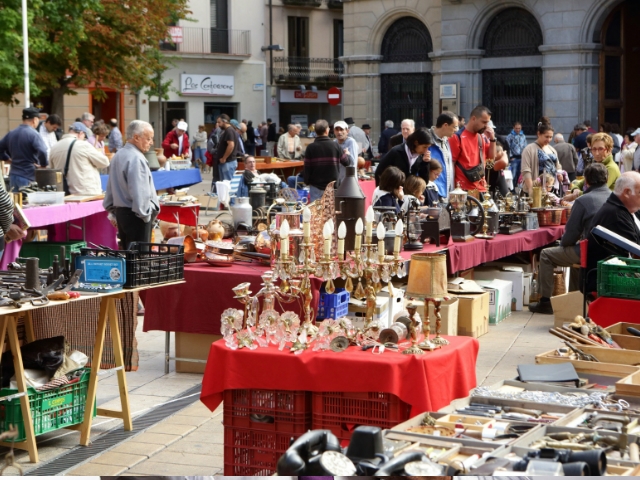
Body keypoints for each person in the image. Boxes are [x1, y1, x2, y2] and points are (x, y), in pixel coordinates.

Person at [529, 163, 611, 314]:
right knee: (576, 256)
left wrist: (564, 245)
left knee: (546, 255)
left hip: (590, 252)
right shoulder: (614, 198)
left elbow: (570, 234)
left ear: (586, 181)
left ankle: (545, 301)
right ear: (607, 178)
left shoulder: (584, 200)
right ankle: (575, 300)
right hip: (611, 253)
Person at [103, 120, 159, 250]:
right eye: (149, 138)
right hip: (137, 216)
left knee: (130, 260)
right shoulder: (136, 158)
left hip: (123, 213)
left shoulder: (118, 155)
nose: (151, 142)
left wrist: (113, 211)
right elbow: (140, 192)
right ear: (136, 137)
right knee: (138, 262)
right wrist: (146, 216)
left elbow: (110, 189)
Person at [585, 171, 640, 294]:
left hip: (621, 276)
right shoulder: (615, 215)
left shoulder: (627, 209)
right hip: (608, 282)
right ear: (627, 193)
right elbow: (636, 254)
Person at [50, 123, 110, 195]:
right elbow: (104, 162)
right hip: (85, 192)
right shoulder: (82, 145)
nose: (84, 139)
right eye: (84, 137)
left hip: (64, 192)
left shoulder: (54, 147)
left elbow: (51, 169)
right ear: (81, 133)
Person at [449, 105, 496, 193]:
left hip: (482, 188)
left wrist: (493, 139)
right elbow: (451, 164)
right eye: (484, 122)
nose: (486, 126)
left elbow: (491, 159)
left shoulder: (481, 136)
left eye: (487, 123)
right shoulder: (457, 137)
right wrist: (453, 189)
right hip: (464, 189)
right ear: (473, 119)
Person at [0, 107, 48, 191]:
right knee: (28, 202)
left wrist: (7, 158)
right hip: (28, 175)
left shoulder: (12, 133)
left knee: (16, 202)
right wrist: (43, 165)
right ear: (35, 120)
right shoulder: (33, 134)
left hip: (13, 175)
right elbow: (42, 151)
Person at [303, 119, 349, 202]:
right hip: (332, 187)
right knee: (330, 212)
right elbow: (347, 162)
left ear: (316, 132)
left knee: (316, 212)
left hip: (315, 186)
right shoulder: (336, 146)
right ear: (327, 130)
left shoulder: (310, 147)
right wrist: (347, 154)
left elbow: (307, 168)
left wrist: (307, 181)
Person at [565, 133, 620, 201]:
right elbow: (583, 182)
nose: (596, 153)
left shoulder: (611, 168)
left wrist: (576, 195)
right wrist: (575, 189)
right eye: (594, 149)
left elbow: (598, 191)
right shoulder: (596, 165)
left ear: (609, 150)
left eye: (600, 149)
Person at [520, 119, 561, 196]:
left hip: (550, 189)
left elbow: (558, 166)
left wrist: (560, 173)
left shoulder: (552, 150)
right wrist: (531, 188)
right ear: (539, 134)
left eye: (551, 137)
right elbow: (526, 171)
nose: (549, 139)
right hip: (535, 189)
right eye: (546, 137)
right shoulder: (529, 149)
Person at [428, 112, 458, 198]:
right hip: (432, 192)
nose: (456, 130)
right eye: (454, 126)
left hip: (446, 193)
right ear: (445, 125)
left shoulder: (446, 140)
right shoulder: (427, 139)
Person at [216, 114, 238, 181]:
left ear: (224, 121)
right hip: (227, 163)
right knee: (224, 184)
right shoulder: (228, 130)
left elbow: (231, 145)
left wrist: (224, 158)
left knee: (227, 184)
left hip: (228, 163)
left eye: (219, 122)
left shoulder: (229, 130)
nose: (218, 124)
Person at [506, 121, 527, 187]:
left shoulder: (523, 136)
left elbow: (525, 146)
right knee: (513, 173)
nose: (518, 130)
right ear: (513, 128)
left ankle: (518, 187)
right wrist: (510, 156)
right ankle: (512, 187)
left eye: (519, 128)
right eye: (516, 128)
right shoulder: (510, 136)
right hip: (514, 158)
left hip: (521, 157)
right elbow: (507, 147)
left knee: (520, 173)